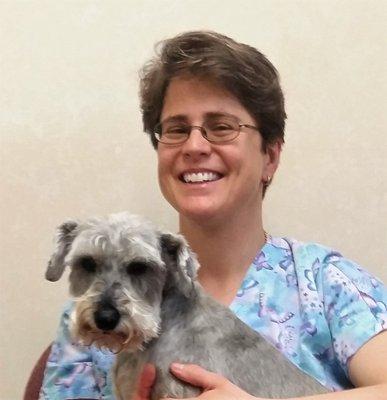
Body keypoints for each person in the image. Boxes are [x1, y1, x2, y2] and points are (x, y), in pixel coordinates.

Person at [39, 31, 387, 400]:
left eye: (221, 127)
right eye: (176, 129)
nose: (194, 146)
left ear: (270, 156)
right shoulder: (88, 317)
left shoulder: (324, 282)